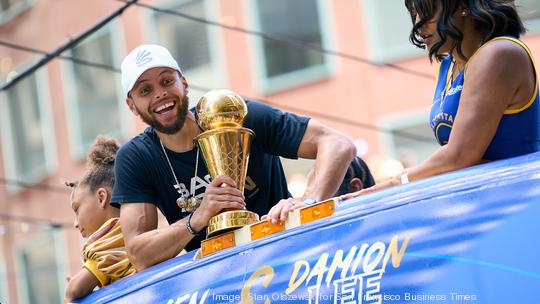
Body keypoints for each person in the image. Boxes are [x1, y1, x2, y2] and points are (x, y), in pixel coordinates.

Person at [111, 44, 356, 270]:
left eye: (166, 81)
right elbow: (138, 254)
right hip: (220, 280)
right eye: (145, 90)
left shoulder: (234, 115)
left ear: (184, 84)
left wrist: (309, 201)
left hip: (288, 258)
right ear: (131, 105)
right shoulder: (136, 157)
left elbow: (337, 143)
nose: (159, 94)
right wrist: (198, 217)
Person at [343, 0, 539, 200]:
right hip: (484, 199)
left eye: (426, 12)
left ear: (463, 6)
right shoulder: (447, 66)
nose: (418, 24)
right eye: (414, 14)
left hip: (519, 201)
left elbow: (459, 155)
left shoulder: (499, 53)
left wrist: (392, 185)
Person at [64, 136, 135, 302]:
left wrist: (73, 288)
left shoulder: (106, 244)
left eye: (77, 209)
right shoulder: (134, 228)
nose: (75, 223)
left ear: (101, 197)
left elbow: (74, 291)